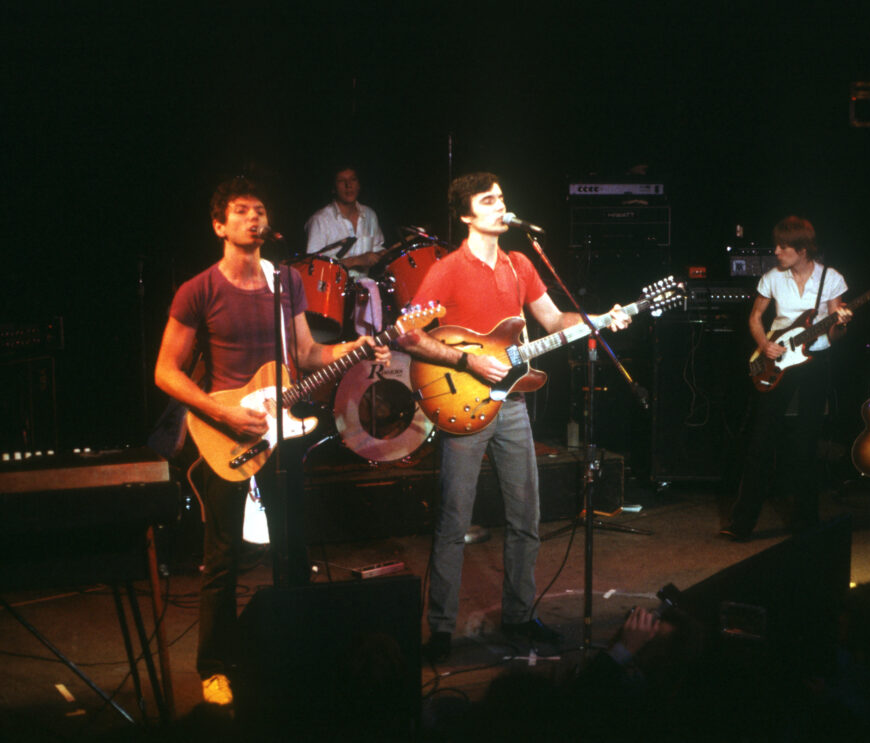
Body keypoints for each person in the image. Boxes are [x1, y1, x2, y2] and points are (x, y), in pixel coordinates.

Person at [154, 176, 390, 708]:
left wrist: (357, 347)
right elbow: (166, 372)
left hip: (280, 432)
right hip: (223, 432)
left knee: (294, 547)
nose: (254, 218)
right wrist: (224, 412)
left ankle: (292, 650)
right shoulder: (199, 290)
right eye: (241, 211)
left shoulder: (286, 282)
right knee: (222, 559)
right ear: (219, 224)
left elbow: (305, 356)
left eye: (260, 210)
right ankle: (214, 666)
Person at [397, 172, 632, 662]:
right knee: (452, 521)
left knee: (527, 518)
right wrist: (466, 360)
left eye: (503, 198)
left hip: (513, 407)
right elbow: (408, 336)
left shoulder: (520, 262)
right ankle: (440, 630)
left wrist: (600, 318)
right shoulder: (448, 269)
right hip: (463, 402)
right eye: (489, 200)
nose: (501, 206)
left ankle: (520, 616)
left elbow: (552, 321)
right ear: (466, 215)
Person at [720, 216, 851, 542]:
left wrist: (841, 322)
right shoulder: (772, 278)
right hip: (776, 360)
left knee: (806, 443)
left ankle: (805, 522)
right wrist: (764, 344)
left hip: (814, 362)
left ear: (803, 250)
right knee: (760, 441)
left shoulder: (831, 278)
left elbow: (834, 336)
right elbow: (755, 317)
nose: (776, 251)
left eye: (783, 247)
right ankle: (741, 523)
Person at [305, 165, 386, 336]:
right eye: (342, 181)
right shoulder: (320, 220)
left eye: (353, 180)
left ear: (359, 185)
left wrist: (385, 255)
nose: (348, 185)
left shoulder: (370, 215)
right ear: (333, 188)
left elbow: (379, 249)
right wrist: (357, 260)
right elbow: (311, 269)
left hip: (365, 297)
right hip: (331, 300)